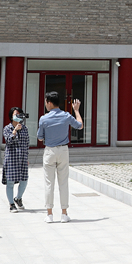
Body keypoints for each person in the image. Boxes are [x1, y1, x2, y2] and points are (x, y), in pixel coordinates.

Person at [37, 92, 82, 223]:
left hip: (49, 151)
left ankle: (49, 214)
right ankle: (64, 213)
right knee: (63, 182)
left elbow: (40, 137)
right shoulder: (66, 116)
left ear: (50, 103)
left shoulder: (43, 119)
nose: (45, 104)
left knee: (49, 183)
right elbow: (80, 125)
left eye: (46, 102)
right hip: (63, 150)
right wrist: (76, 110)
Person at [2, 107, 30, 212]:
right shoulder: (7, 128)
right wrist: (14, 131)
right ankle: (11, 204)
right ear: (11, 116)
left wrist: (26, 157)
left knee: (24, 180)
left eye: (19, 114)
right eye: (15, 114)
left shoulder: (25, 129)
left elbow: (27, 144)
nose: (17, 116)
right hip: (11, 158)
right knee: (10, 182)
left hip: (22, 158)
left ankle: (18, 198)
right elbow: (8, 141)